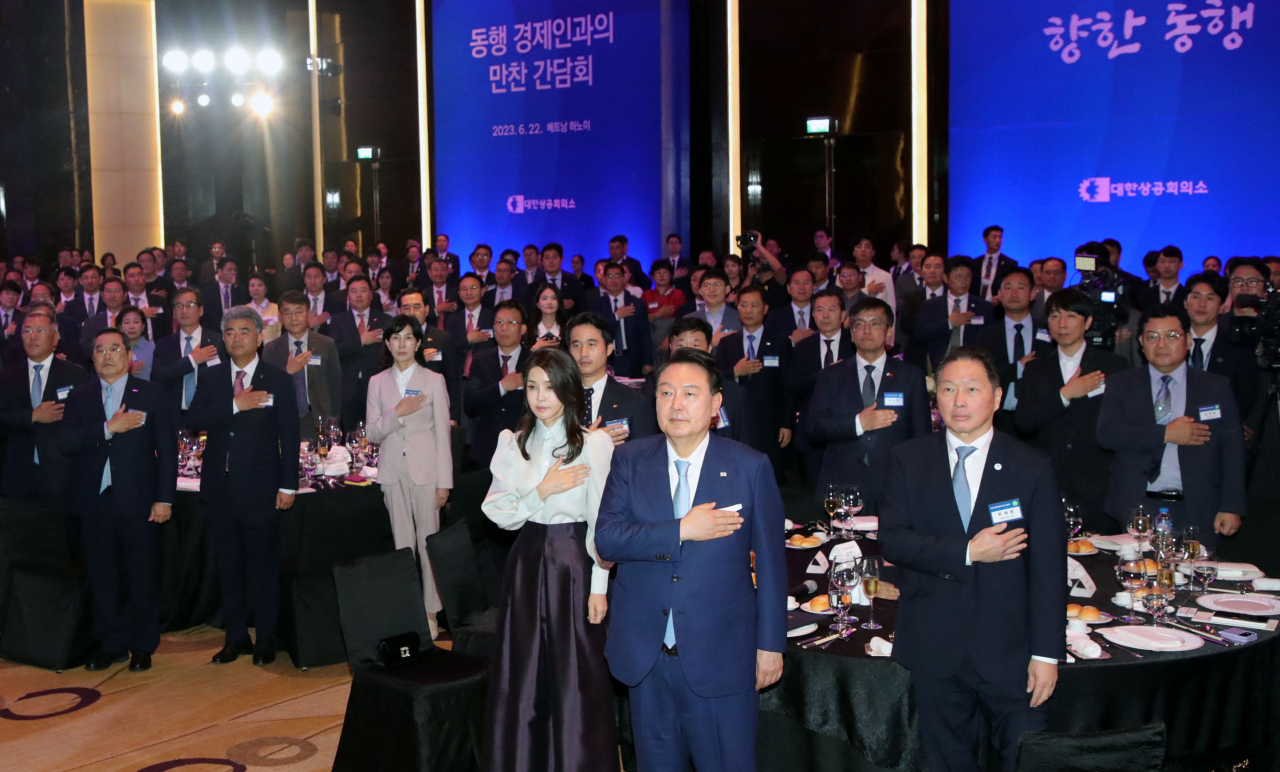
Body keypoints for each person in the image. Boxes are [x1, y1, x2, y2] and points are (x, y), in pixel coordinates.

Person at [596, 346, 787, 772]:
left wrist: (771, 645)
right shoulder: (629, 460)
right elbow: (607, 540)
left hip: (723, 655)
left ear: (716, 404)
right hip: (645, 654)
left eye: (689, 393)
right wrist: (681, 529)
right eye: (665, 393)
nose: (675, 405)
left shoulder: (749, 467)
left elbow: (773, 565)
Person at [879, 346, 1066, 772]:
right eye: (948, 389)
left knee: (1026, 757)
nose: (959, 400)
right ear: (936, 398)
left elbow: (1049, 569)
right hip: (933, 646)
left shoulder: (1031, 466)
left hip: (1010, 650)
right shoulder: (908, 460)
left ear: (997, 397)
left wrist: (1047, 654)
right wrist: (967, 552)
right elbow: (892, 541)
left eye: (971, 388)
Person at [479, 347, 618, 772]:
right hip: (526, 561)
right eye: (534, 386)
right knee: (523, 672)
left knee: (578, 673)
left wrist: (598, 586)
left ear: (568, 390)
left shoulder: (593, 443)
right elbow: (496, 512)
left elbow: (601, 521)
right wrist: (542, 489)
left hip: (574, 562)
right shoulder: (514, 441)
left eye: (551, 387)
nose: (541, 397)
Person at [186, 306, 299, 666]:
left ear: (259, 336)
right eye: (230, 332)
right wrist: (234, 405)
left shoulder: (277, 379)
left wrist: (288, 486)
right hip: (220, 489)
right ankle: (235, 638)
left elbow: (291, 436)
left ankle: (265, 638)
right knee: (228, 567)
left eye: (244, 331)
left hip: (263, 490)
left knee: (263, 568)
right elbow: (194, 419)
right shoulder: (213, 377)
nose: (236, 338)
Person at [61, 326, 176, 673]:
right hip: (95, 502)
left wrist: (165, 499)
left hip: (140, 502)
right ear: (92, 358)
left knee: (142, 577)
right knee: (103, 578)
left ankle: (143, 646)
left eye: (115, 349)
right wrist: (110, 428)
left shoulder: (152, 394)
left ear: (129, 356)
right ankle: (110, 644)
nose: (107, 356)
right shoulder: (80, 397)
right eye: (100, 350)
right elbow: (66, 443)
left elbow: (168, 452)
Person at [1097, 303, 1245, 549]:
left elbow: (1233, 448)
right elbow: (1106, 434)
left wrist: (1232, 506)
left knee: (1193, 582)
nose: (1162, 344)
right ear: (1141, 343)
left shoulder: (1214, 387)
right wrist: (1166, 433)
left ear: (1187, 340)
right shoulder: (1122, 383)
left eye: (1171, 336)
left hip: (1198, 506)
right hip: (1139, 505)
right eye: (1153, 337)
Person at [1015, 289, 1129, 535]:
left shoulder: (1113, 365)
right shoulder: (1036, 368)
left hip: (1098, 482)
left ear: (1087, 322)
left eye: (1071, 316)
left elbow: (1122, 424)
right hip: (1049, 481)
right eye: (1055, 317)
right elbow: (1024, 422)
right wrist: (1064, 395)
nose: (1062, 324)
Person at [367, 315, 452, 635]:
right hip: (392, 472)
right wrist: (396, 413)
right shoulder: (377, 382)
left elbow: (443, 434)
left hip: (426, 472)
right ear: (387, 343)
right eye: (395, 338)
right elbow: (373, 433)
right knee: (403, 546)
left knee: (428, 543)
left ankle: (431, 611)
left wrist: (445, 482)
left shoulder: (433, 380)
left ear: (418, 343)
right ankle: (407, 609)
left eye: (407, 338)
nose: (401, 344)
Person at [808, 297, 930, 508]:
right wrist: (858, 423)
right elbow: (814, 428)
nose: (866, 330)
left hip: (895, 482)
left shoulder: (910, 376)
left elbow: (922, 437)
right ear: (852, 333)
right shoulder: (830, 376)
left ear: (889, 331)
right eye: (859, 324)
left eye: (875, 323)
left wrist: (920, 483)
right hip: (842, 480)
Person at [0, 306, 89, 502]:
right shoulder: (7, 377)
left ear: (55, 339)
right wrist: (32, 417)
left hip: (63, 476)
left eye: (40, 331)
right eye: (27, 330)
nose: (32, 336)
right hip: (18, 478)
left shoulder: (75, 374)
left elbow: (85, 423)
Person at [713, 284, 792, 473]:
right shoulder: (727, 342)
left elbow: (788, 386)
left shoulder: (781, 342)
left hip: (769, 421)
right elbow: (714, 380)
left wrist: (786, 424)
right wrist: (735, 371)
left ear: (765, 309)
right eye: (743, 305)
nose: (748, 310)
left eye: (754, 305)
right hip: (734, 421)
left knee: (768, 474)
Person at [786, 291, 855, 488]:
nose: (825, 315)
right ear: (813, 315)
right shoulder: (802, 347)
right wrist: (826, 373)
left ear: (843, 315)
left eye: (831, 310)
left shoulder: (855, 345)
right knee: (815, 494)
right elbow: (793, 386)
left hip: (849, 429)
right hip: (812, 433)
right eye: (819, 310)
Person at [976, 268, 1054, 435]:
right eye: (1008, 287)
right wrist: (1018, 368)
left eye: (1020, 287)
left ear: (1033, 293)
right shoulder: (986, 336)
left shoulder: (1049, 332)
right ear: (999, 294)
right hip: (999, 420)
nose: (1013, 293)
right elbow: (983, 378)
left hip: (1040, 419)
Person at [263, 291, 343, 446]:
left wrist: (335, 422)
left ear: (308, 314)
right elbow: (266, 389)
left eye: (299, 312)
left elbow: (335, 386)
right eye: (288, 313)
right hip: (284, 420)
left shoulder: (326, 344)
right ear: (280, 317)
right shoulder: (271, 349)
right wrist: (287, 372)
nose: (293, 318)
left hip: (319, 418)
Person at [567, 312, 659, 446]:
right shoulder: (558, 398)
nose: (583, 353)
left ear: (609, 348)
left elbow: (643, 455)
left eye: (591, 344)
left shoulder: (634, 402)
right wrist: (589, 442)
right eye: (576, 345)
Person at [1183, 271, 1262, 424]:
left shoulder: (1238, 348)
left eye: (1210, 298)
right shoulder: (1171, 343)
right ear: (1186, 303)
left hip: (1220, 431)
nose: (1202, 304)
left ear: (1222, 305)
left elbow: (1244, 398)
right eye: (1196, 297)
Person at [662, 317, 752, 443]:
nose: (688, 351)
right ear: (671, 347)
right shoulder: (657, 392)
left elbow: (745, 443)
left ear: (709, 349)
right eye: (681, 345)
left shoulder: (735, 394)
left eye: (695, 345)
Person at [466, 299, 531, 468]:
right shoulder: (481, 360)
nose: (504, 328)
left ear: (523, 329)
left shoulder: (534, 361)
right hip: (486, 450)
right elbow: (470, 405)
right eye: (499, 322)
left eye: (511, 323)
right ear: (493, 327)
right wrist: (501, 387)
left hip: (524, 448)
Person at [152, 287, 227, 425]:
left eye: (189, 305)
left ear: (201, 310)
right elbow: (157, 377)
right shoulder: (164, 344)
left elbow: (226, 379)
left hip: (210, 415)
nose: (184, 310)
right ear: (174, 312)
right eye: (179, 306)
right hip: (175, 417)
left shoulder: (218, 341)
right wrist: (191, 360)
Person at [328, 275, 389, 430]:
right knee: (351, 436)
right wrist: (360, 342)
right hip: (348, 389)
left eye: (363, 290)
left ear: (371, 294)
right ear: (348, 295)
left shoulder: (386, 320)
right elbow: (333, 351)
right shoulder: (338, 321)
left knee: (378, 436)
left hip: (378, 388)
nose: (359, 295)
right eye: (354, 291)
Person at [912, 257, 994, 371]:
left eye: (967, 276)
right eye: (958, 277)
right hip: (939, 365)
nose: (963, 281)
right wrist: (949, 323)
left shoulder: (984, 307)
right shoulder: (932, 305)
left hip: (973, 366)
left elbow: (990, 340)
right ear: (946, 278)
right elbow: (920, 333)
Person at [590, 262, 653, 378]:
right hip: (606, 358)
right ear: (603, 279)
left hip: (632, 358)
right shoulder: (596, 304)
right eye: (609, 276)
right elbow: (596, 330)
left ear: (625, 279)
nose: (614, 280)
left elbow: (645, 334)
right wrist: (616, 316)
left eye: (618, 276)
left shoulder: (637, 303)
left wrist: (648, 362)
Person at [763, 267, 818, 344]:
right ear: (788, 288)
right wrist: (790, 341)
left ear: (813, 288)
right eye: (797, 283)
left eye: (806, 282)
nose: (801, 287)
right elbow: (768, 344)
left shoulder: (821, 314)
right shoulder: (775, 316)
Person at [853, 237, 897, 313]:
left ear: (873, 252)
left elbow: (891, 306)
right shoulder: (844, 275)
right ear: (854, 252)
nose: (863, 250)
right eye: (859, 247)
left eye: (867, 247)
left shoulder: (885, 276)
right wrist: (867, 291)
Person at [974, 225, 1018, 303]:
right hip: (976, 305)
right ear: (985, 239)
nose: (998, 240)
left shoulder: (1010, 264)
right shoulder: (975, 263)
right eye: (994, 237)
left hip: (997, 308)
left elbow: (1011, 286)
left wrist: (1001, 297)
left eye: (1000, 237)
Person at [1135, 246, 1187, 310]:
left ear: (1181, 265)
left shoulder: (1187, 295)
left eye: (1172, 261)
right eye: (1163, 261)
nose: (1167, 265)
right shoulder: (1145, 295)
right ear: (1157, 265)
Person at [201, 257, 249, 324]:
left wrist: (235, 287)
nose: (233, 273)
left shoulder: (240, 290)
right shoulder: (208, 292)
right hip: (215, 329)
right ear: (220, 272)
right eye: (229, 270)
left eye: (235, 270)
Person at [117, 306, 155, 381]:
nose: (131, 327)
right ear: (120, 327)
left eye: (136, 322)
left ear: (143, 326)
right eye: (127, 322)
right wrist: (126, 370)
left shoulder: (154, 349)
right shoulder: (113, 350)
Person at [526, 282, 566, 349]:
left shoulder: (567, 330)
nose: (549, 302)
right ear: (538, 304)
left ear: (559, 303)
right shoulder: (528, 331)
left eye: (554, 298)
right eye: (544, 298)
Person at [246, 272, 281, 341]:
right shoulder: (244, 310)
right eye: (252, 286)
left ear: (266, 289)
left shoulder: (276, 308)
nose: (256, 289)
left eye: (260, 285)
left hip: (273, 349)